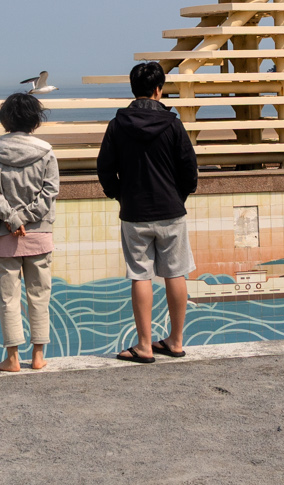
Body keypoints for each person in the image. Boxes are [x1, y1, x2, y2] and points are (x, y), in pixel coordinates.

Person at [96, 60, 199, 363]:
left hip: (135, 212)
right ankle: (176, 341)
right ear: (158, 89)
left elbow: (104, 168)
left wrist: (120, 195)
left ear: (133, 89)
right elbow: (189, 170)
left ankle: (143, 346)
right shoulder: (173, 124)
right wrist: (179, 197)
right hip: (171, 210)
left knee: (140, 275)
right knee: (175, 273)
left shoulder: (117, 125)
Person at [0, 90, 59, 372]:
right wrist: (26, 217)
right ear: (35, 120)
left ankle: (12, 358)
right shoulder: (46, 151)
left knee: (8, 299)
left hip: (4, 234)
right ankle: (38, 356)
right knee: (39, 296)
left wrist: (12, 218)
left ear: (6, 119)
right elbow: (50, 191)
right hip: (39, 234)